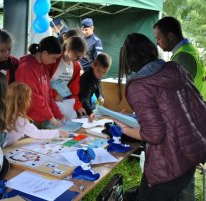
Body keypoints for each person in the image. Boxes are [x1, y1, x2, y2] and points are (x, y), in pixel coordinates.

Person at [116, 33, 206, 201]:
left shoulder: (139, 85)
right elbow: (178, 109)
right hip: (190, 153)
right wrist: (136, 116)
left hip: (168, 165)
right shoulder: (174, 68)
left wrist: (125, 128)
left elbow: (154, 134)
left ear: (128, 58)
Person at [16, 36, 64, 128]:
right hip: (29, 120)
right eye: (54, 58)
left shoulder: (43, 66)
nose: (54, 62)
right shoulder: (26, 68)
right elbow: (33, 97)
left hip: (42, 118)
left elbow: (49, 95)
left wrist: (59, 115)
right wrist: (50, 116)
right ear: (45, 53)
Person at [153, 16, 206, 101]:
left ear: (170, 36)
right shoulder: (190, 49)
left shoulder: (182, 56)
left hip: (193, 108)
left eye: (159, 38)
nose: (157, 43)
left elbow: (174, 92)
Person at [4, 83, 69, 147]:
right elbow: (37, 134)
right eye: (29, 97)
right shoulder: (19, 119)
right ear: (22, 101)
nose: (30, 99)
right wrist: (58, 133)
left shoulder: (8, 113)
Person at [47, 36, 87, 118]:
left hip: (62, 100)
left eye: (79, 57)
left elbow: (73, 90)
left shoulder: (76, 66)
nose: (77, 59)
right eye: (76, 56)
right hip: (47, 99)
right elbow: (43, 82)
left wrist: (78, 106)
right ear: (68, 49)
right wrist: (54, 94)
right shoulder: (53, 60)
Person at [79, 53, 112, 122]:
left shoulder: (96, 75)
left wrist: (99, 96)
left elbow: (97, 86)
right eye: (98, 71)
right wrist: (90, 112)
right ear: (93, 65)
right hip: (78, 105)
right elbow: (84, 99)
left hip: (87, 105)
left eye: (104, 72)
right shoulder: (87, 79)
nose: (101, 75)